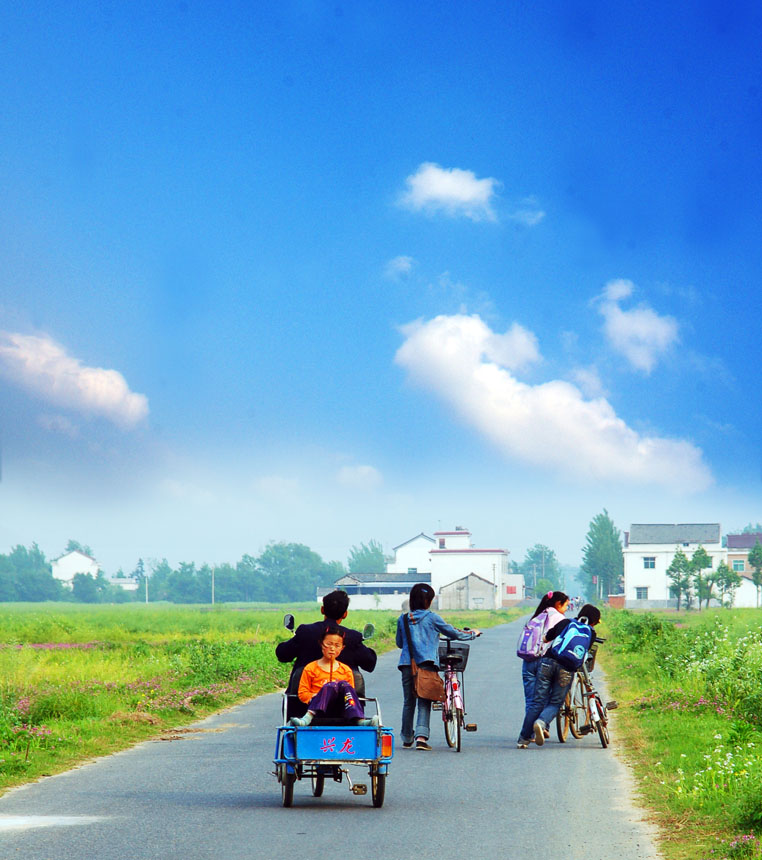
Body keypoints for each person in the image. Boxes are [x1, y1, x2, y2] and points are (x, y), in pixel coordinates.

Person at [397, 583, 481, 751]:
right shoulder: (432, 618)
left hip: (407, 664)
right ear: (428, 601)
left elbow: (399, 643)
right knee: (424, 700)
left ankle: (407, 737)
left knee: (409, 701)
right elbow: (453, 633)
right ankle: (421, 737)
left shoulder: (403, 619)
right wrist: (473, 633)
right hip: (426, 664)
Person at [276, 589, 377, 717]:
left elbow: (282, 654)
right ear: (345, 614)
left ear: (322, 610)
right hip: (344, 710)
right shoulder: (351, 637)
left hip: (302, 707)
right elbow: (370, 663)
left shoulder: (305, 632)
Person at [517, 603, 601, 749]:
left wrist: (545, 639)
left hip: (547, 662)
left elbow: (547, 637)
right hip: (567, 669)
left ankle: (523, 739)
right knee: (555, 702)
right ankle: (542, 722)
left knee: (537, 701)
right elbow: (584, 652)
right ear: (594, 620)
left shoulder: (566, 622)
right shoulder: (590, 632)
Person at [289, 625, 378, 726]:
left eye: (337, 645)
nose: (332, 648)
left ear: (342, 648)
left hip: (341, 710)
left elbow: (350, 694)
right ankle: (307, 717)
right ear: (321, 644)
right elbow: (302, 693)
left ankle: (359, 720)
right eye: (328, 644)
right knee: (330, 686)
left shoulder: (346, 670)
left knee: (343, 685)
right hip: (318, 711)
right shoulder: (310, 668)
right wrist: (317, 696)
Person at [518, 591, 570, 733]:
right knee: (547, 696)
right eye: (566, 605)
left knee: (531, 700)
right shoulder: (559, 618)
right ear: (558, 604)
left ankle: (529, 732)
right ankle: (542, 726)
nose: (566, 609)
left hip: (528, 660)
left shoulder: (536, 616)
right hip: (545, 660)